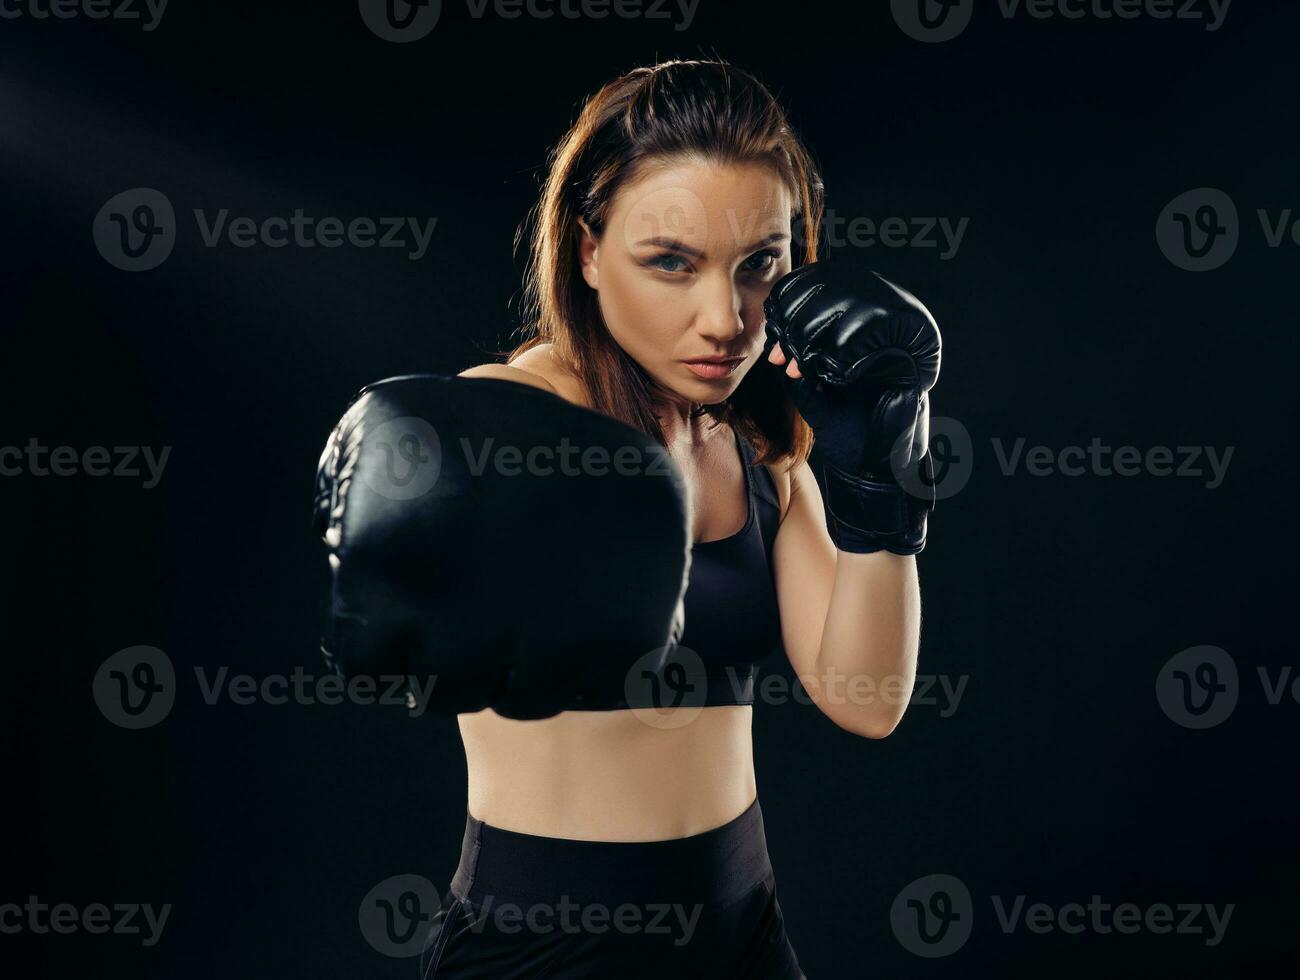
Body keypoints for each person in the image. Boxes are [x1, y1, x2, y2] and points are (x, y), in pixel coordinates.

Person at [317, 57, 942, 979]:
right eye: (671, 264)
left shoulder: (760, 446)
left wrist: (881, 486)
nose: (725, 318)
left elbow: (866, 700)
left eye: (759, 267)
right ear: (587, 253)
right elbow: (434, 462)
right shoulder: (517, 419)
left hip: (744, 932)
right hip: (544, 947)